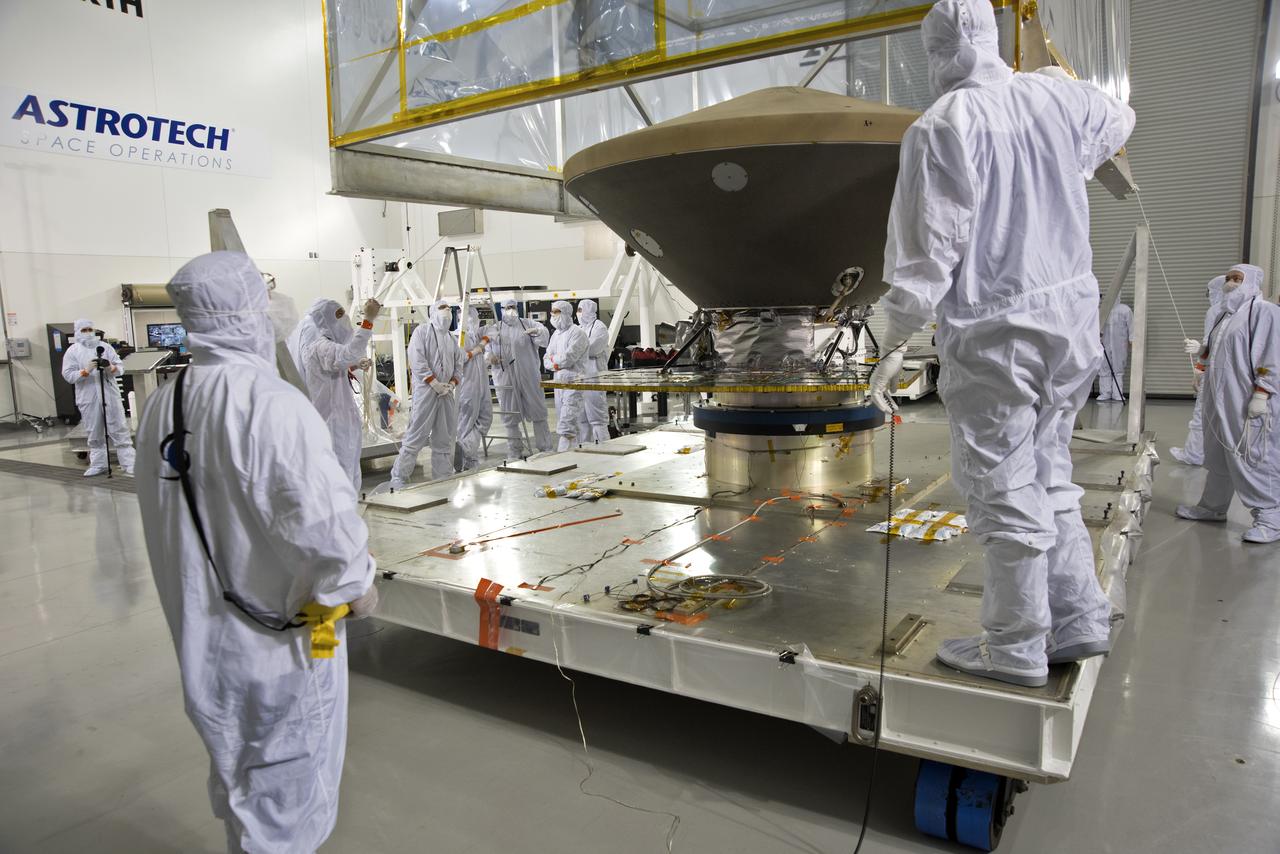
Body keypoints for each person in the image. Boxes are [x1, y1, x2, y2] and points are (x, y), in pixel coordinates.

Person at [867, 0, 1135, 687]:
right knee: (1050, 474)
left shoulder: (944, 126)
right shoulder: (1054, 95)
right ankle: (1079, 618)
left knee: (1004, 490)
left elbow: (927, 259)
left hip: (997, 338)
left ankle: (1015, 648)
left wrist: (887, 342)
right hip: (1072, 325)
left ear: (937, 52)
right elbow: (1120, 121)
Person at [134, 251, 378, 852]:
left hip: (205, 639)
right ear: (249, 314)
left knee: (239, 775)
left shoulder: (168, 402)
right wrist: (358, 588)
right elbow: (322, 525)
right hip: (287, 640)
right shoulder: (268, 403)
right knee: (289, 785)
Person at [1176, 264, 1280, 543]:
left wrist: (1262, 392)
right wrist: (1200, 358)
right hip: (1219, 397)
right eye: (1229, 278)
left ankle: (1270, 517)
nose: (1232, 283)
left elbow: (1271, 355)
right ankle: (1213, 507)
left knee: (1253, 454)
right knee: (1219, 452)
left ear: (1252, 283)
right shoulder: (1225, 314)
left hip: (1247, 398)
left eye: (1238, 279)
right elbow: (1215, 348)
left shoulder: (1264, 312)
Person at [302, 298, 382, 495]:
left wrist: (354, 365)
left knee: (352, 477)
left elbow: (339, 363)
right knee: (342, 482)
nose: (345, 319)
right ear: (325, 321)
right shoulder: (319, 346)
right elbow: (346, 354)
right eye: (339, 316)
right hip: (333, 425)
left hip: (343, 422)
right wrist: (368, 320)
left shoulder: (326, 346)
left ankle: (350, 518)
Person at [388, 299, 464, 487]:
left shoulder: (451, 339)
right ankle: (399, 477)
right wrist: (434, 383)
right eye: (441, 308)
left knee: (444, 437)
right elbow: (417, 360)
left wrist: (451, 384)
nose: (446, 311)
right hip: (426, 393)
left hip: (446, 394)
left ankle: (443, 476)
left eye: (448, 308)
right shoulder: (422, 332)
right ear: (432, 312)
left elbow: (459, 366)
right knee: (416, 435)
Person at [61, 318, 137, 476]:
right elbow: (68, 375)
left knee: (119, 428)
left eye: (90, 329)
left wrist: (110, 367)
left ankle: (129, 463)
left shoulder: (105, 347)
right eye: (84, 330)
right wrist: (85, 371)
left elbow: (121, 368)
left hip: (109, 394)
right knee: (94, 430)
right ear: (77, 332)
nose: (88, 333)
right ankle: (99, 464)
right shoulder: (73, 351)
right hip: (88, 397)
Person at [485, 298, 554, 457]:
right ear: (501, 309)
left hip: (528, 374)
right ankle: (515, 450)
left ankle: (545, 448)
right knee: (510, 414)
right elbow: (485, 349)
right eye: (508, 307)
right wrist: (490, 357)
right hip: (505, 376)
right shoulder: (495, 328)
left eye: (514, 307)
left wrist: (538, 332)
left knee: (538, 411)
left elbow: (544, 338)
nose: (511, 310)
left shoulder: (528, 324)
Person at [1170, 276, 1227, 464]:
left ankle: (1194, 454)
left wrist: (1199, 370)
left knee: (1201, 413)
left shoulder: (1215, 311)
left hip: (1213, 371)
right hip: (1230, 372)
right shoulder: (1238, 311)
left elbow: (1207, 343)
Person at [544, 300, 589, 451]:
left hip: (574, 382)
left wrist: (554, 362)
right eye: (552, 312)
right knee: (565, 421)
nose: (552, 315)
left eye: (555, 312)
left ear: (565, 313)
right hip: (559, 384)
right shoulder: (556, 334)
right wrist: (556, 363)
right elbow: (545, 360)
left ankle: (562, 456)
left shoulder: (578, 333)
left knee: (567, 423)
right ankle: (574, 455)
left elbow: (568, 358)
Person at [455, 304, 493, 471]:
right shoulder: (458, 336)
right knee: (465, 423)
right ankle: (466, 461)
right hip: (467, 387)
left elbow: (492, 331)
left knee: (486, 418)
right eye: (468, 318)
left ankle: (465, 450)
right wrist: (477, 351)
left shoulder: (474, 336)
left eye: (473, 318)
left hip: (481, 385)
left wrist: (484, 353)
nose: (472, 321)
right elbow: (459, 358)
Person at [575, 299, 612, 443]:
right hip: (580, 376)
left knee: (597, 417)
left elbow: (593, 348)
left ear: (588, 310)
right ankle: (585, 449)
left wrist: (575, 352)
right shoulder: (579, 328)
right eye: (578, 310)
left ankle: (604, 446)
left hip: (595, 375)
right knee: (582, 418)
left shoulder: (600, 328)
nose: (578, 313)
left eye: (581, 309)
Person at [1096, 301, 1133, 402]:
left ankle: (1117, 394)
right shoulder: (1102, 310)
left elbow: (1131, 326)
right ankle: (1105, 393)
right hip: (1104, 342)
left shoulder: (1125, 310)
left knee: (1119, 368)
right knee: (1104, 366)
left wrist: (1131, 339)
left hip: (1120, 344)